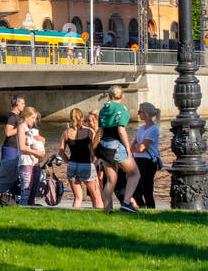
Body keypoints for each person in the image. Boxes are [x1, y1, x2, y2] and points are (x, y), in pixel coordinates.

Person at [96, 84, 140, 214]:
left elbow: (101, 129)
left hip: (104, 145)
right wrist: (127, 147)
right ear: (122, 95)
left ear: (110, 95)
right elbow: (121, 129)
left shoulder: (104, 108)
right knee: (135, 173)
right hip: (116, 145)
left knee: (110, 180)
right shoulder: (122, 108)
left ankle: (107, 210)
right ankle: (126, 202)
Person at [61, 108, 102, 210]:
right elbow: (97, 149)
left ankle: (73, 219)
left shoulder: (66, 132)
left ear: (71, 118)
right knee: (96, 196)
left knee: (78, 198)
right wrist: (95, 161)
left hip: (72, 166)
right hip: (86, 165)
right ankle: (101, 217)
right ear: (82, 118)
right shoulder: (89, 131)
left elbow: (60, 152)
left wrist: (68, 161)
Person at [0, 95, 26, 196]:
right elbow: (8, 133)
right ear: (17, 104)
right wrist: (22, 128)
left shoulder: (17, 117)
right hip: (10, 148)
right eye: (22, 103)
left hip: (15, 147)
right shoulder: (12, 116)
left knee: (13, 171)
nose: (24, 105)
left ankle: (8, 194)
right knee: (2, 172)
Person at [130, 102, 161, 210]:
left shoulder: (153, 129)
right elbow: (132, 146)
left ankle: (151, 209)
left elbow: (142, 148)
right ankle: (143, 208)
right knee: (135, 189)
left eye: (140, 111)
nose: (138, 114)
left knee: (147, 189)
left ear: (146, 113)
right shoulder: (142, 129)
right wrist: (137, 147)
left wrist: (137, 147)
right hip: (138, 160)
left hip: (148, 162)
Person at [16, 106, 46, 205]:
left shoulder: (31, 130)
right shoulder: (21, 127)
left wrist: (40, 141)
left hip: (35, 162)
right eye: (33, 118)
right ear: (26, 116)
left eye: (35, 118)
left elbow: (39, 142)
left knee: (34, 189)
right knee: (26, 190)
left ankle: (31, 208)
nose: (34, 121)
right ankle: (23, 210)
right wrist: (37, 153)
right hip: (26, 162)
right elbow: (22, 147)